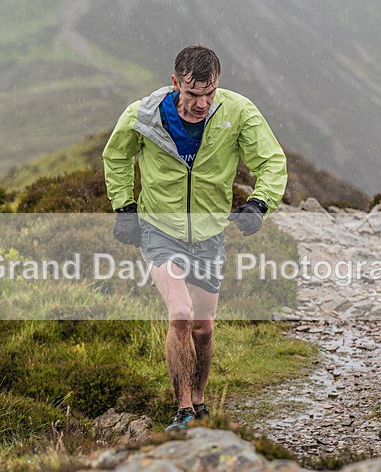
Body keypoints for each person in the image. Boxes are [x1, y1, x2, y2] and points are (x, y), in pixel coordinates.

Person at [103, 45, 287, 430]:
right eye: (192, 95)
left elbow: (271, 160)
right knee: (182, 316)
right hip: (159, 230)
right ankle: (183, 408)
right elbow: (116, 155)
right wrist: (124, 206)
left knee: (203, 328)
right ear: (175, 85)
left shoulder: (237, 112)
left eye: (209, 94)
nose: (201, 104)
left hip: (209, 234)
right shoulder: (145, 115)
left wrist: (259, 203)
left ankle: (200, 401)